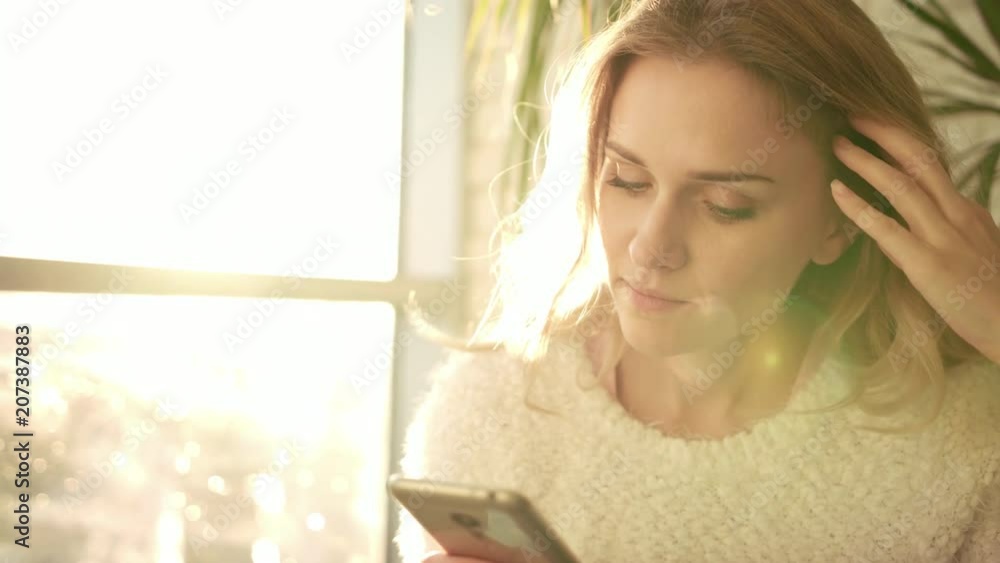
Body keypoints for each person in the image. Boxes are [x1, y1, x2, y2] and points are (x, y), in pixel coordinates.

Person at [394, 0, 1000, 561]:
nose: (651, 247)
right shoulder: (492, 413)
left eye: (725, 206)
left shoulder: (964, 441)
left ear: (843, 221)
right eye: (627, 179)